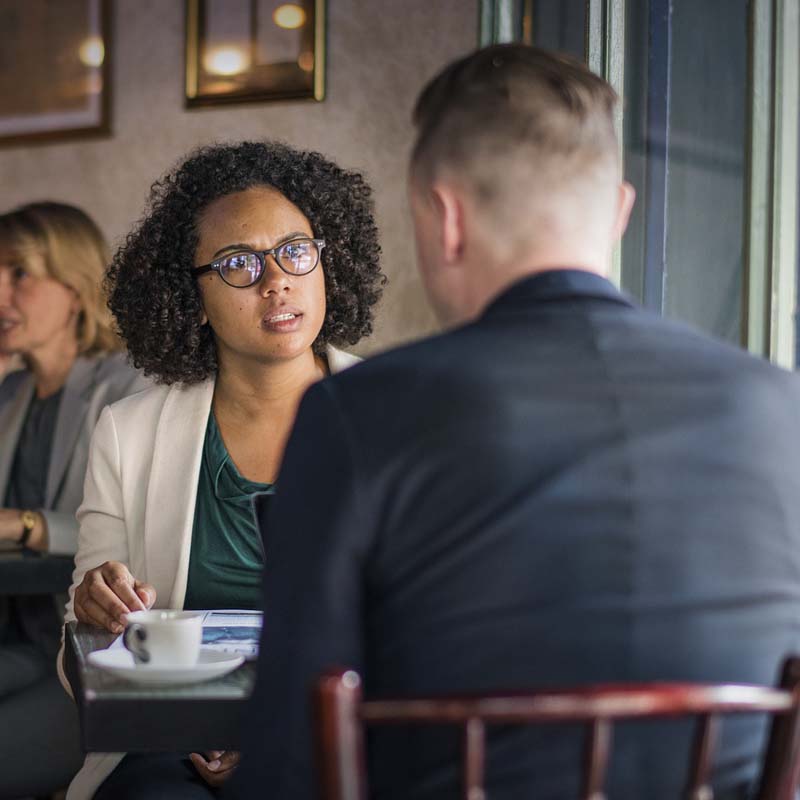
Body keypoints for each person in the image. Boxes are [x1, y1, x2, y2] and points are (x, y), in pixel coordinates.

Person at [230, 45, 800, 800]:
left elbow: (293, 748)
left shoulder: (357, 413)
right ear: (620, 211)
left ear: (445, 216)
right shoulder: (778, 404)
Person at [59, 140, 384, 800]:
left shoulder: (398, 417)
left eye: (296, 250)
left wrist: (278, 731)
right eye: (238, 263)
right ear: (191, 296)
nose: (276, 281)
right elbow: (87, 650)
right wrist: (97, 606)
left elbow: (423, 628)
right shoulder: (128, 432)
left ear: (327, 262)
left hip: (343, 738)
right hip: (171, 743)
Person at [0, 201, 148, 798]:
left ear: (76, 286)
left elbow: (134, 533)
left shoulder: (130, 385)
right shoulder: (9, 390)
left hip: (80, 652)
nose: (0, 291)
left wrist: (26, 525)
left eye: (18, 274)